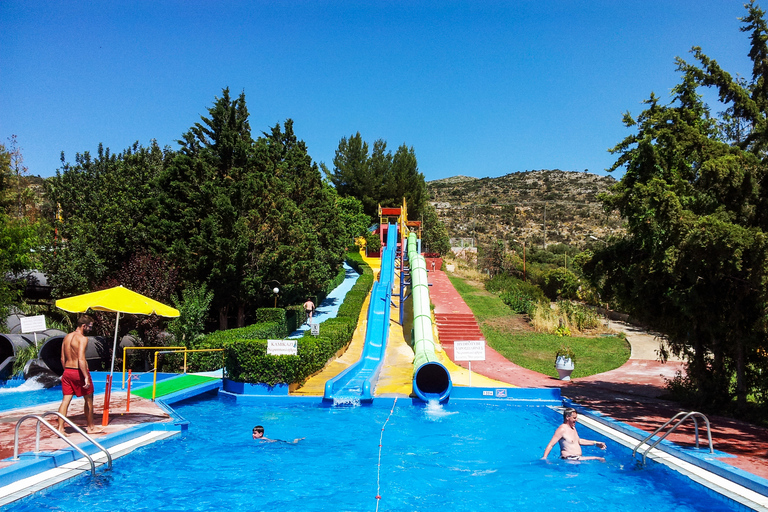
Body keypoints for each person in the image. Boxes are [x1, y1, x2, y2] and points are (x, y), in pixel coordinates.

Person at [57, 315, 104, 435]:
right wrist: (86, 377)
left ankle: (60, 429)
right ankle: (91, 427)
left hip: (67, 371)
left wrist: (67, 371)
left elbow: (62, 358)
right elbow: (81, 359)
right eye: (90, 327)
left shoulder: (67, 337)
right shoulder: (82, 339)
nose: (90, 329)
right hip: (78, 372)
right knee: (89, 400)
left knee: (65, 400)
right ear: (84, 326)